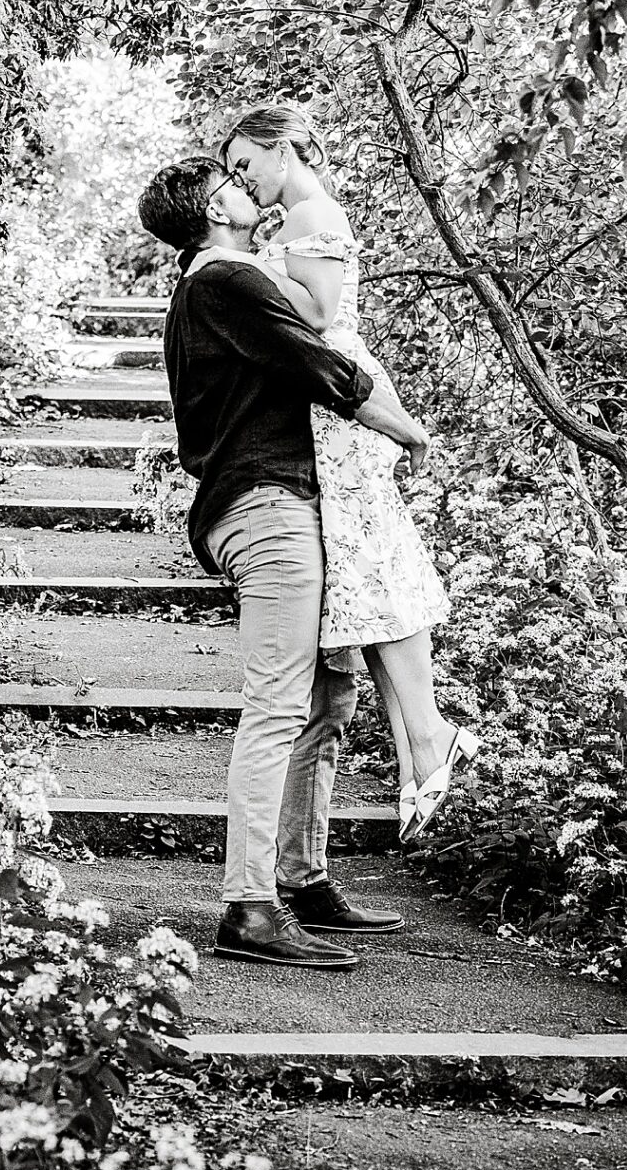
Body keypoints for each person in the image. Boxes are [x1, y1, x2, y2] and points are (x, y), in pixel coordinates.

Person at [136, 150, 423, 968]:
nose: (247, 189)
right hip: (265, 507)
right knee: (277, 705)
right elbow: (327, 368)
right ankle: (247, 909)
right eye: (231, 182)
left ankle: (301, 878)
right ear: (213, 208)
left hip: (290, 503)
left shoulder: (219, 281)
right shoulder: (224, 278)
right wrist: (409, 431)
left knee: (329, 697)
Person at [219, 101, 477, 845]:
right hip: (327, 409)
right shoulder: (293, 222)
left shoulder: (310, 215)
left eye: (246, 164)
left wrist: (243, 274)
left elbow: (320, 314)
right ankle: (416, 753)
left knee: (375, 570)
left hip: (341, 408)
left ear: (282, 148)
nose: (243, 179)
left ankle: (428, 735)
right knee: (365, 583)